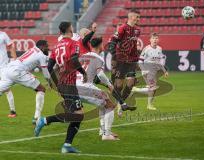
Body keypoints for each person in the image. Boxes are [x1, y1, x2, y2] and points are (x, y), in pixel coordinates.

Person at [34, 22, 87, 153]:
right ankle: (45, 121)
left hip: (63, 84)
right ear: (70, 29)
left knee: (75, 115)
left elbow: (50, 66)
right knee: (78, 115)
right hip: (69, 85)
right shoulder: (73, 43)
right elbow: (74, 60)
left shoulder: (56, 46)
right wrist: (83, 72)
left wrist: (56, 84)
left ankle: (67, 145)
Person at [76, 37, 119, 140]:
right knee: (110, 105)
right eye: (102, 44)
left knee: (103, 102)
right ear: (100, 45)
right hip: (85, 87)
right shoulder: (99, 58)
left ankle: (102, 130)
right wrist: (109, 84)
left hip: (74, 87)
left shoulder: (82, 56)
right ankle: (106, 134)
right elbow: (100, 74)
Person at [0, 40, 50, 122]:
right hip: (18, 72)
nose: (48, 48)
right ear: (42, 47)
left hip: (8, 69)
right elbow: (45, 73)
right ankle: (36, 118)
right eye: (47, 46)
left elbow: (27, 62)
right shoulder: (41, 55)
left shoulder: (32, 49)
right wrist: (50, 82)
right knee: (41, 89)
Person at [109, 10, 141, 116]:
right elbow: (113, 40)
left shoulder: (137, 30)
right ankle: (121, 103)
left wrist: (136, 58)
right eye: (137, 17)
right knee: (119, 86)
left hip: (131, 61)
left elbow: (134, 45)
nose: (138, 19)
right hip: (122, 61)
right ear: (131, 17)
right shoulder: (122, 28)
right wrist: (115, 54)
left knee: (130, 84)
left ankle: (121, 105)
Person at [132, 33, 168, 110]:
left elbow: (159, 62)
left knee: (153, 89)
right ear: (150, 40)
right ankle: (148, 104)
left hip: (154, 71)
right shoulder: (147, 48)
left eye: (156, 38)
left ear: (158, 40)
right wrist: (144, 70)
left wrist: (164, 71)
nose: (155, 40)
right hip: (147, 70)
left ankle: (139, 93)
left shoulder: (159, 49)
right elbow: (140, 61)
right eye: (153, 38)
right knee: (153, 87)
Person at [0, 31, 17, 117]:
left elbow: (11, 47)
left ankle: (13, 111)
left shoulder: (3, 35)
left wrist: (15, 60)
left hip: (3, 66)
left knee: (6, 89)